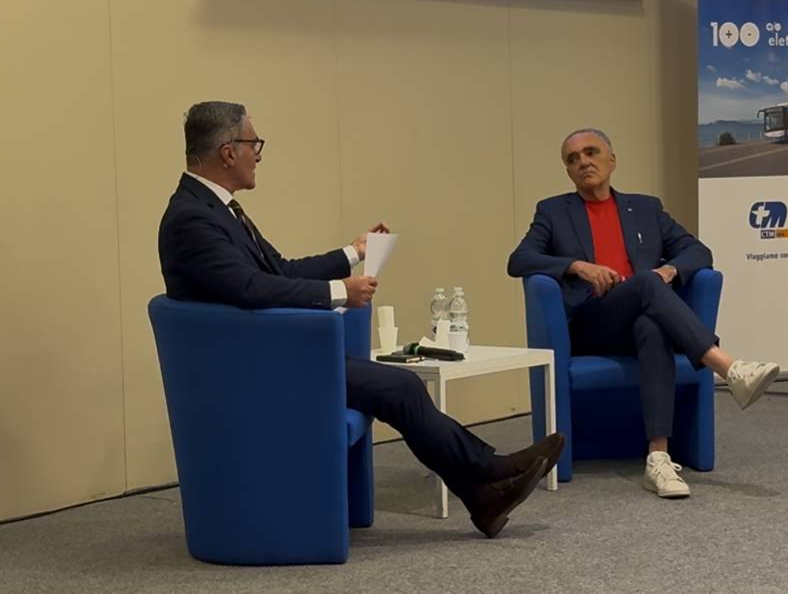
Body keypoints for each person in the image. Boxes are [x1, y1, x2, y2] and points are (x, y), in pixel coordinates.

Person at [158, 101, 564, 538]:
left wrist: (354, 252)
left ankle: (484, 492)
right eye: (253, 144)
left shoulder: (216, 209)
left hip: (270, 354)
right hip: (250, 370)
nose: (258, 155)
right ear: (227, 152)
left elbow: (280, 271)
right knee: (401, 386)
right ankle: (490, 475)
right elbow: (249, 288)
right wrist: (340, 292)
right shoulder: (192, 218)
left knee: (400, 386)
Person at [507, 128, 779, 499]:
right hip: (591, 324)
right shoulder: (553, 211)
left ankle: (658, 458)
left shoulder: (646, 208)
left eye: (591, 152)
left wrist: (670, 270)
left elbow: (698, 252)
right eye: (573, 159)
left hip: (639, 317)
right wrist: (577, 266)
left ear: (612, 160)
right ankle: (727, 367)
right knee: (648, 284)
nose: (583, 161)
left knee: (652, 323)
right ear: (568, 171)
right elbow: (519, 259)